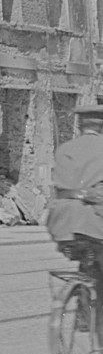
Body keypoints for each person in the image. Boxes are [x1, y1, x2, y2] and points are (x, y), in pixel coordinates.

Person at [48, 103, 103, 285]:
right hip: (94, 225)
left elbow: (59, 186)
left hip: (62, 225)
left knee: (89, 265)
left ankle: (83, 299)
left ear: (80, 126)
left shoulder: (65, 149)